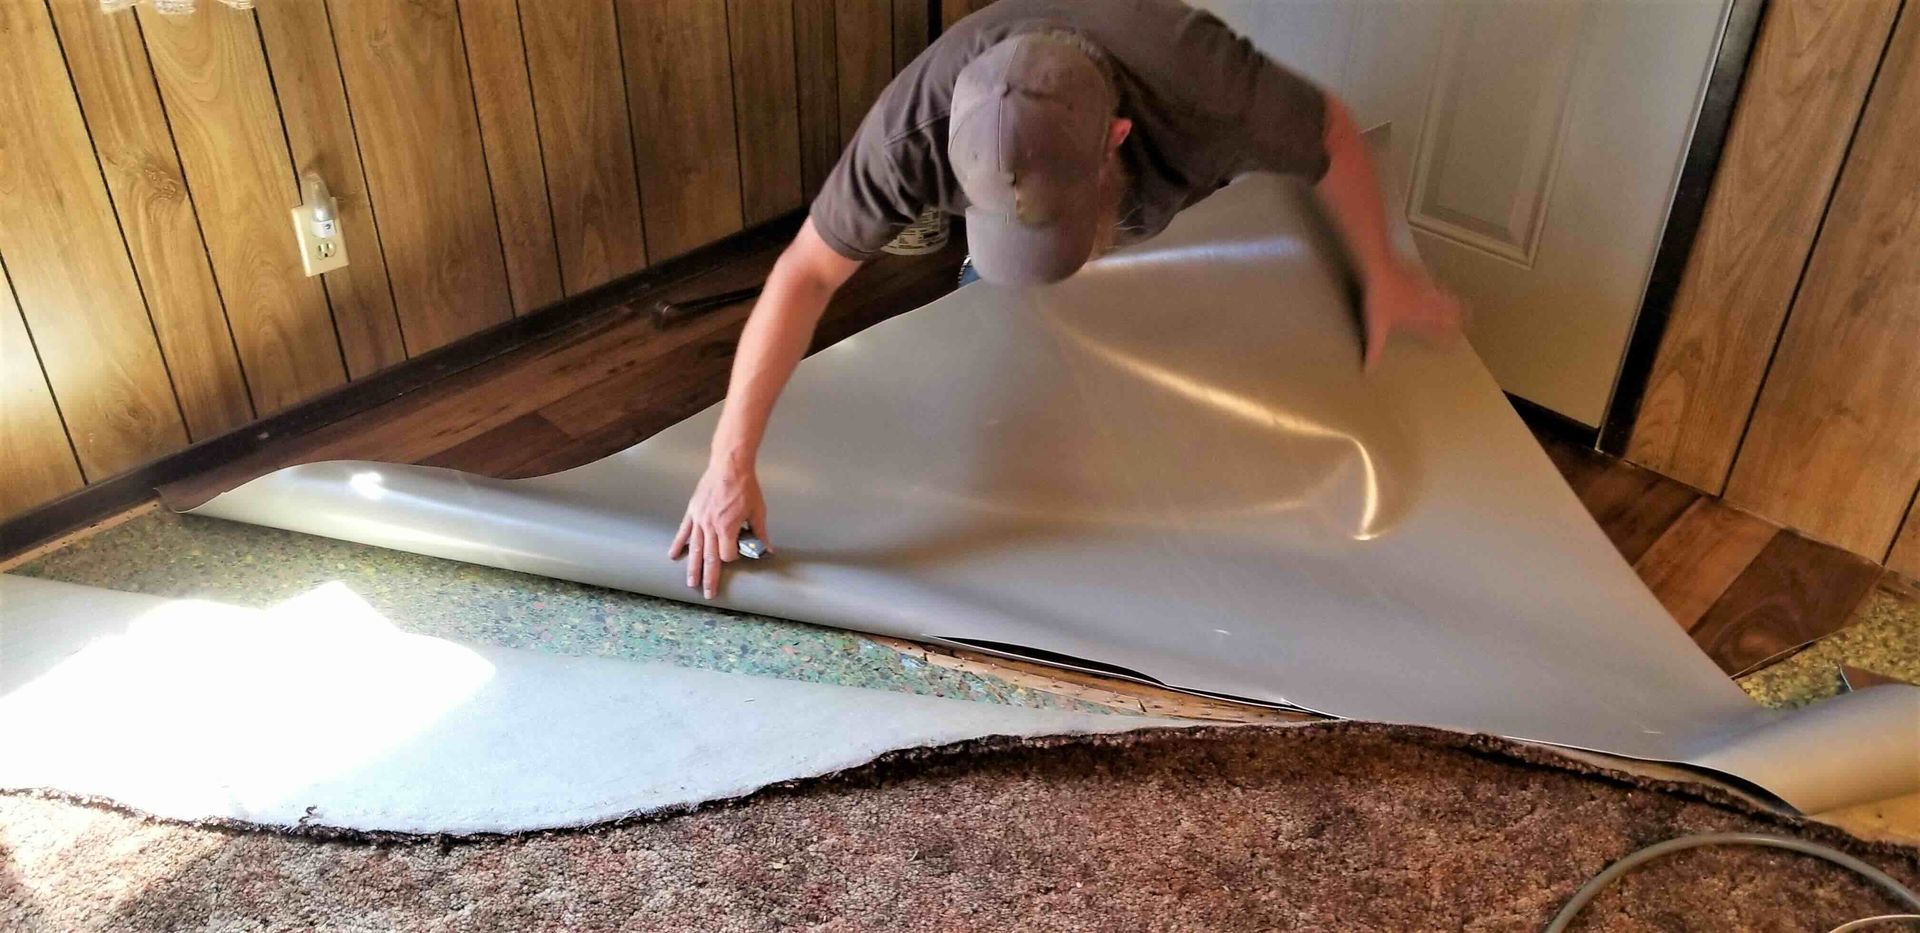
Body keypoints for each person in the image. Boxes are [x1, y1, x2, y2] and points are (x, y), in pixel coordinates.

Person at [669, 0, 1463, 597]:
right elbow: (804, 274)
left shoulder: (1205, 84)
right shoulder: (912, 129)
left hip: (1181, 215)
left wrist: (1384, 275)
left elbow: (1331, 133)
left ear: (1116, 138)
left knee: (1185, 429)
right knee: (1016, 404)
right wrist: (726, 465)